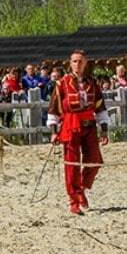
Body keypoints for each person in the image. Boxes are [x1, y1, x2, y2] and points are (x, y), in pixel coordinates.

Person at [47, 50, 110, 215]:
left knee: (95, 160)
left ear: (85, 63)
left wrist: (104, 130)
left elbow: (100, 108)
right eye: (74, 61)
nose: (77, 64)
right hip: (71, 124)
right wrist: (54, 132)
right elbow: (53, 109)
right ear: (70, 63)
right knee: (72, 163)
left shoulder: (92, 83)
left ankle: (81, 188)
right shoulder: (62, 83)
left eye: (80, 61)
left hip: (89, 124)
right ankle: (74, 200)